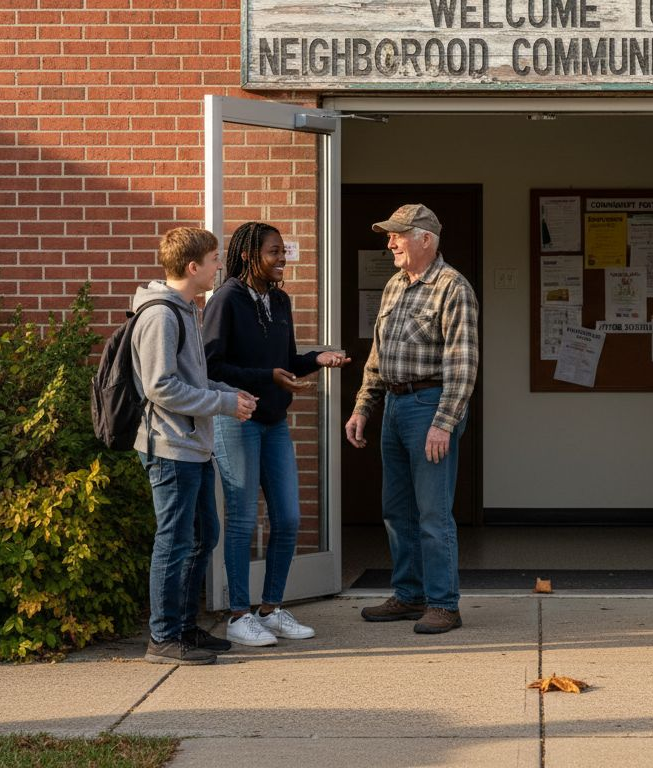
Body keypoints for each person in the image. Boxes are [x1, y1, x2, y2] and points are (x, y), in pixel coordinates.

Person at [203, 221, 350, 647]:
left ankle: (270, 609)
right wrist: (267, 376)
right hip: (238, 420)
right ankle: (237, 615)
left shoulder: (280, 300)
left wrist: (317, 359)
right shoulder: (227, 299)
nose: (282, 259)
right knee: (243, 519)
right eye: (274, 252)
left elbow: (285, 361)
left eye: (283, 251)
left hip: (273, 423)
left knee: (288, 518)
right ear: (249, 256)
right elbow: (212, 368)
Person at [345, 204, 480, 635]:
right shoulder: (393, 287)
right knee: (396, 510)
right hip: (395, 406)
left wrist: (444, 422)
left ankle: (444, 604)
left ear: (425, 239)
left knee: (432, 513)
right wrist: (363, 407)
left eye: (397, 235)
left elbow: (463, 364)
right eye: (389, 235)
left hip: (430, 406)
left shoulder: (452, 287)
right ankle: (409, 595)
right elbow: (378, 356)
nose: (390, 243)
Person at [132, 226, 258, 665]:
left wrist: (229, 393)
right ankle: (163, 638)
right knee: (174, 542)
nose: (218, 266)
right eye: (213, 260)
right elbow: (160, 386)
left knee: (204, 536)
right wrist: (222, 403)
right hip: (170, 447)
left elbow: (193, 380)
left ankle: (185, 630)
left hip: (192, 445)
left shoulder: (186, 311)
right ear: (193, 266)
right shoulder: (161, 316)